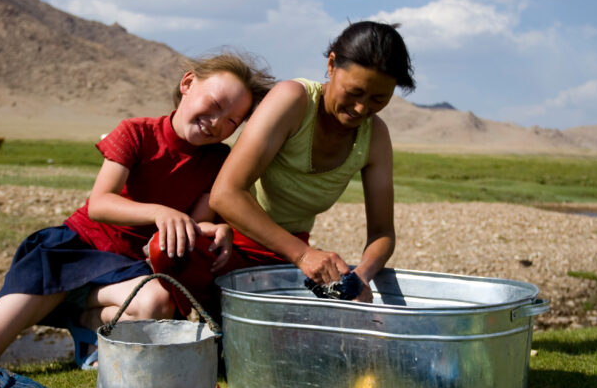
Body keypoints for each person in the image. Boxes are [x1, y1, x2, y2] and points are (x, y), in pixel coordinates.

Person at [0, 52, 275, 373]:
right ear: (187, 85)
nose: (216, 122)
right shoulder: (136, 133)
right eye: (214, 104)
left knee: (155, 302)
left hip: (124, 270)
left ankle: (85, 328)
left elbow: (195, 222)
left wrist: (218, 230)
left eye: (232, 120)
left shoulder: (216, 160)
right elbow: (100, 204)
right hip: (72, 253)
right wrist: (160, 212)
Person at [151, 21, 414, 307]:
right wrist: (303, 255)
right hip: (230, 246)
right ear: (331, 64)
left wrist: (361, 277)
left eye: (379, 99)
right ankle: (209, 319)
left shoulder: (374, 136)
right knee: (168, 250)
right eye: (354, 92)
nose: (362, 108)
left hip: (286, 260)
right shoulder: (293, 101)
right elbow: (225, 194)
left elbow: (382, 233)